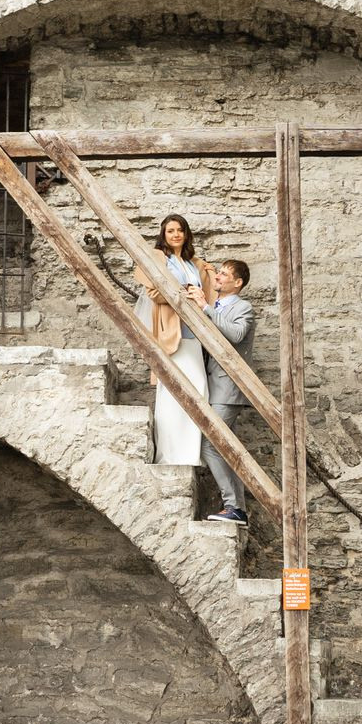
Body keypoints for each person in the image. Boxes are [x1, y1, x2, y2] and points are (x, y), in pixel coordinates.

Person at [135, 213, 213, 468]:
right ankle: (170, 454)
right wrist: (180, 295)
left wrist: (199, 293)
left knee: (199, 388)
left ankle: (190, 452)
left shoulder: (194, 263)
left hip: (194, 334)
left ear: (186, 233)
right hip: (172, 332)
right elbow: (154, 291)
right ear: (164, 235)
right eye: (170, 231)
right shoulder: (160, 259)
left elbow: (209, 294)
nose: (176, 234)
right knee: (171, 392)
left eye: (180, 230)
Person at [200, 259, 255, 525]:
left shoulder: (243, 307)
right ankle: (238, 510)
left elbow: (236, 334)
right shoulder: (217, 305)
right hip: (213, 385)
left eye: (225, 274)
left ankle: (233, 506)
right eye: (218, 272)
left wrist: (206, 308)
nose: (219, 276)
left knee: (210, 445)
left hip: (228, 388)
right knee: (227, 448)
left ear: (238, 283)